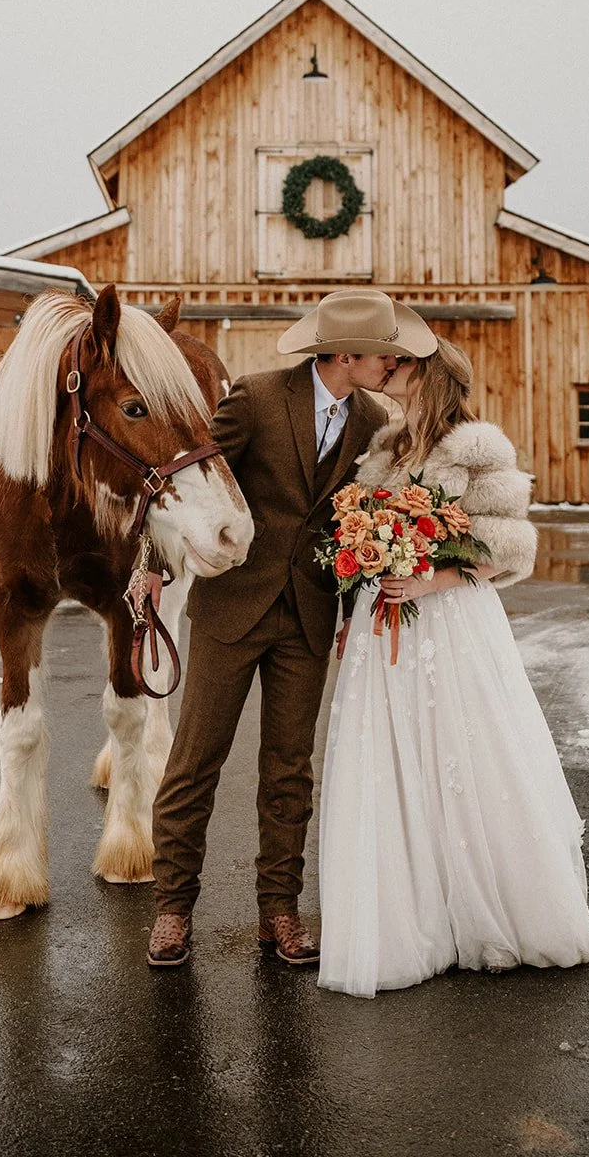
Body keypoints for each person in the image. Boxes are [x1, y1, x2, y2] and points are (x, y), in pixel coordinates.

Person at [147, 289, 437, 968]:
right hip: (231, 608)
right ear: (343, 353)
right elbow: (190, 485)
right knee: (195, 763)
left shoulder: (372, 419)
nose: (389, 365)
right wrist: (155, 561)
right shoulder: (254, 395)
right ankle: (170, 909)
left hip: (307, 615)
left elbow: (351, 521)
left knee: (288, 771)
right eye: (382, 354)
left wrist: (351, 613)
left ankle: (279, 912)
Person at [317, 337, 589, 996]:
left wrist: (431, 581)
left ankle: (494, 909)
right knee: (391, 759)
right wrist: (358, 596)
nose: (386, 367)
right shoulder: (382, 448)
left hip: (447, 623)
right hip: (378, 624)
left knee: (465, 756)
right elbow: (357, 532)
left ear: (434, 375)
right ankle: (411, 914)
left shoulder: (478, 447)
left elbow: (507, 549)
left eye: (402, 361)